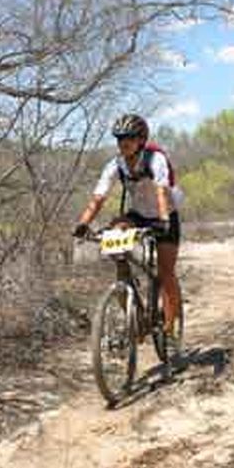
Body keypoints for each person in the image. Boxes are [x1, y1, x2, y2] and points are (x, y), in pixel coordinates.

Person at [73, 113, 182, 340]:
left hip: (165, 215)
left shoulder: (155, 160)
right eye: (120, 139)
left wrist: (163, 220)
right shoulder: (115, 165)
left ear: (141, 140)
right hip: (139, 214)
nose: (123, 143)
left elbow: (162, 192)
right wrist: (83, 223)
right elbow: (98, 198)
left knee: (165, 271)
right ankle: (134, 313)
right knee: (115, 236)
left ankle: (171, 326)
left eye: (129, 138)